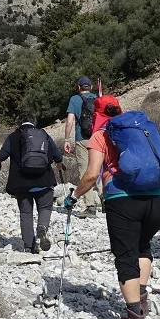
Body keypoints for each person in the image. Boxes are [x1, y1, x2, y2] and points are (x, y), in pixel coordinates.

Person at [65, 96, 160, 319]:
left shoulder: (100, 135)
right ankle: (141, 300)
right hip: (159, 198)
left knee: (126, 255)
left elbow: (91, 175)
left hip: (123, 200)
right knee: (143, 247)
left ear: (95, 115)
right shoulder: (142, 130)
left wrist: (73, 197)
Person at [0, 117, 64, 254]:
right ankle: (42, 227)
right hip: (44, 181)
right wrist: (59, 164)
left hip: (21, 183)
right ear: (34, 123)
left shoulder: (14, 136)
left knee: (26, 213)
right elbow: (57, 155)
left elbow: (1, 155)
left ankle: (29, 246)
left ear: (19, 123)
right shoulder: (43, 134)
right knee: (45, 208)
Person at [63, 77, 101, 216]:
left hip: (82, 139)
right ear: (90, 87)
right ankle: (106, 201)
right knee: (100, 169)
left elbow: (69, 121)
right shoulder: (98, 98)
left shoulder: (74, 99)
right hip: (98, 138)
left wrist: (67, 139)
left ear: (79, 87)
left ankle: (90, 206)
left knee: (85, 171)